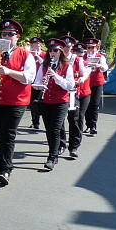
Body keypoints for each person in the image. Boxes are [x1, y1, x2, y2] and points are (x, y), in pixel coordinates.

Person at [0, 19, 36, 186]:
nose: (7, 36)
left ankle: (5, 169)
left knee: (8, 134)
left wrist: (9, 71)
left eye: (10, 34)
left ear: (17, 37)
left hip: (17, 101)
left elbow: (29, 77)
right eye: (4, 34)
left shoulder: (26, 55)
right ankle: (5, 165)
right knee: (0, 133)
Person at [32, 38, 75, 170]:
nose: (52, 53)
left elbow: (70, 85)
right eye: (50, 51)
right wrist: (41, 84)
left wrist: (56, 76)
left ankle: (52, 157)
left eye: (55, 50)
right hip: (45, 101)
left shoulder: (67, 66)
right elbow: (36, 83)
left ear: (60, 52)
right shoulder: (44, 66)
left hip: (60, 102)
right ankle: (54, 153)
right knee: (49, 129)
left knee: (56, 129)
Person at [67, 43, 91, 157]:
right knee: (60, 121)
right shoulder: (57, 59)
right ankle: (61, 144)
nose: (79, 54)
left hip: (78, 93)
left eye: (81, 52)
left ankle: (74, 145)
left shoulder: (79, 61)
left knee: (76, 118)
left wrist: (82, 78)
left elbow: (85, 73)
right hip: (63, 93)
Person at [83, 38, 108, 135]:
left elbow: (105, 67)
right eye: (89, 47)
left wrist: (100, 66)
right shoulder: (83, 56)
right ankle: (88, 125)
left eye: (93, 48)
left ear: (97, 48)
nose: (90, 50)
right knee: (86, 104)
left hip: (97, 83)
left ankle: (93, 125)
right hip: (86, 83)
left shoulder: (100, 56)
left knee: (94, 104)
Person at [27, 37, 46, 129]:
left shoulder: (45, 54)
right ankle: (35, 121)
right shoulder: (29, 54)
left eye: (37, 44)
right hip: (31, 80)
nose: (35, 45)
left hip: (41, 81)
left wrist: (38, 57)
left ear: (40, 45)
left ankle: (41, 118)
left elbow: (47, 64)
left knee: (39, 101)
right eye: (33, 44)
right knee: (32, 102)